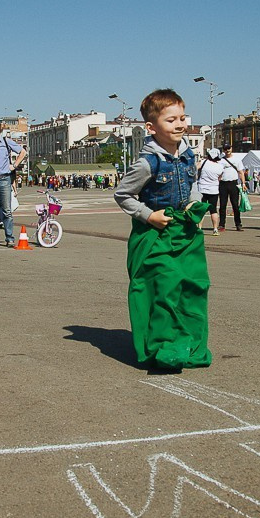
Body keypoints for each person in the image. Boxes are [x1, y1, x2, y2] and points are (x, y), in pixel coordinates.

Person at [113, 89, 211, 370]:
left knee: (191, 287)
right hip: (156, 235)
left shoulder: (189, 155)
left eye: (182, 118)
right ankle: (161, 347)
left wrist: (193, 203)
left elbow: (193, 185)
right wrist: (148, 215)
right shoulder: (147, 163)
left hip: (184, 233)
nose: (180, 124)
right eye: (171, 120)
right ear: (151, 127)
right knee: (165, 287)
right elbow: (123, 194)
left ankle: (185, 342)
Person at [196, 148, 224, 235]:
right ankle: (215, 229)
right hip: (214, 190)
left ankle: (199, 228)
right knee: (213, 210)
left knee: (201, 210)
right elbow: (220, 178)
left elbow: (195, 168)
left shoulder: (204, 162)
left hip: (202, 189)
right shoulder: (220, 166)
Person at [216, 151, 244, 232]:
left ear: (231, 148)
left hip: (233, 183)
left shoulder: (237, 160)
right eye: (225, 148)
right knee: (222, 205)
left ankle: (238, 224)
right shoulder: (220, 160)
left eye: (229, 148)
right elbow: (217, 173)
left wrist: (243, 183)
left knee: (235, 205)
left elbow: (241, 172)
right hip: (223, 183)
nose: (227, 150)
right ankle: (222, 224)